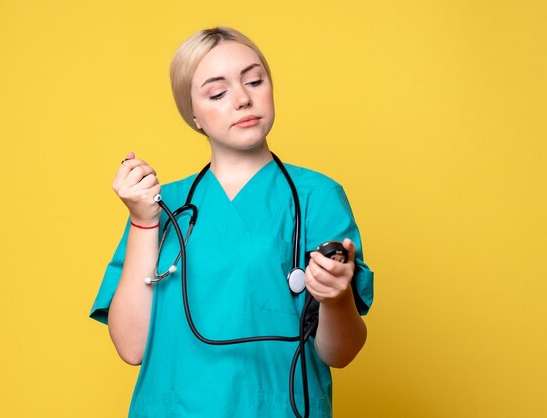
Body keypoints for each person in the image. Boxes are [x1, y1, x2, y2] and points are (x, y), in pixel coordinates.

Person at [90, 27, 374, 418]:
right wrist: (142, 222)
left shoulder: (316, 197)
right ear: (194, 116)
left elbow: (340, 353)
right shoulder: (161, 205)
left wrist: (336, 297)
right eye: (218, 92)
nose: (243, 99)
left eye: (255, 81)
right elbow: (132, 348)